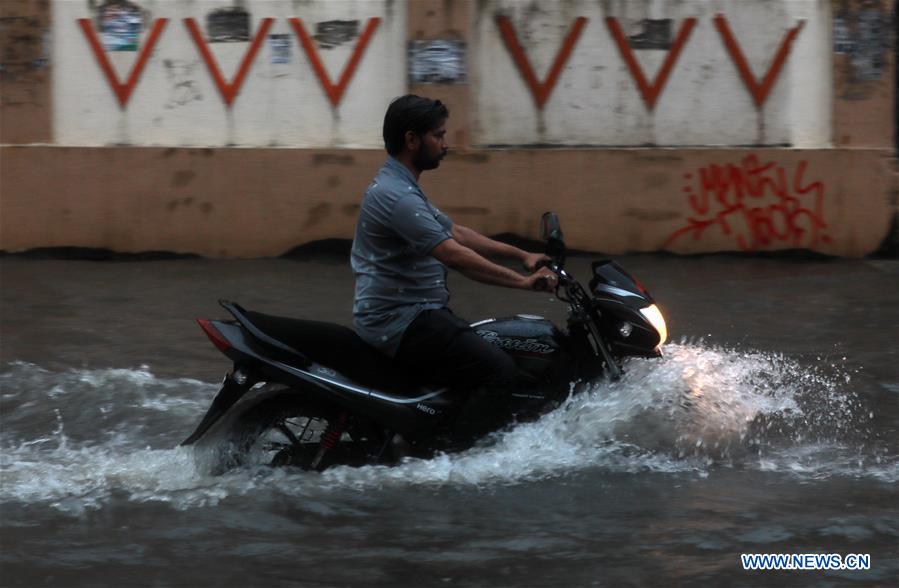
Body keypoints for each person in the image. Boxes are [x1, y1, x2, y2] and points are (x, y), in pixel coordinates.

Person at [351, 94, 557, 396]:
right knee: (500, 372)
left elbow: (458, 233)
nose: (445, 145)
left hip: (417, 314)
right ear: (411, 140)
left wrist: (523, 254)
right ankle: (469, 445)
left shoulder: (401, 187)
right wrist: (524, 283)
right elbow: (454, 255)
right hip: (401, 322)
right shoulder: (397, 197)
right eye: (438, 136)